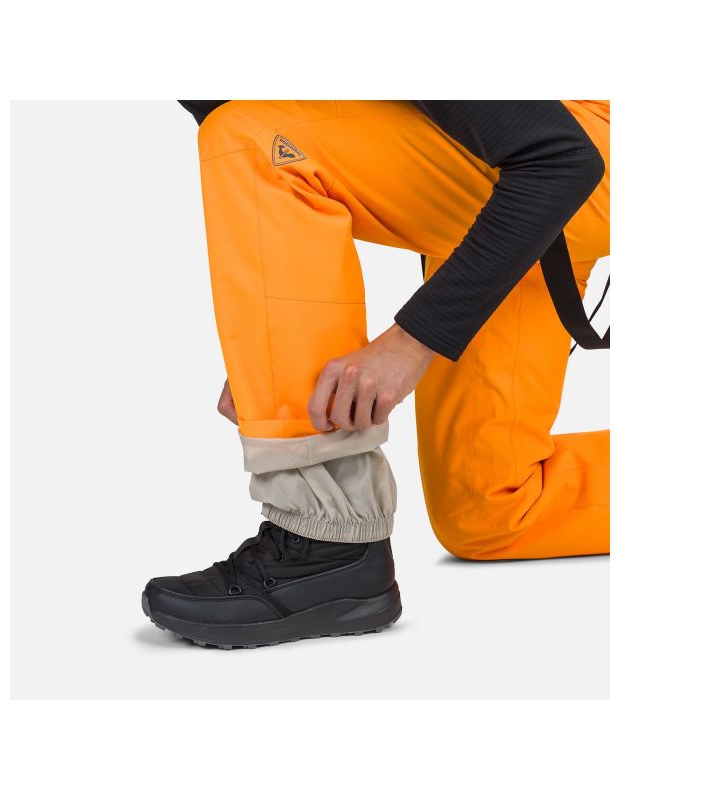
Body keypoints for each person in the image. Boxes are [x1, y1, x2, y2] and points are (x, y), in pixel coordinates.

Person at [142, 100, 610, 649]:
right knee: (491, 508)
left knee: (252, 139)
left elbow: (561, 160)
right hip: (515, 172)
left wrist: (411, 343)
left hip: (575, 152)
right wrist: (271, 348)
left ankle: (328, 543)